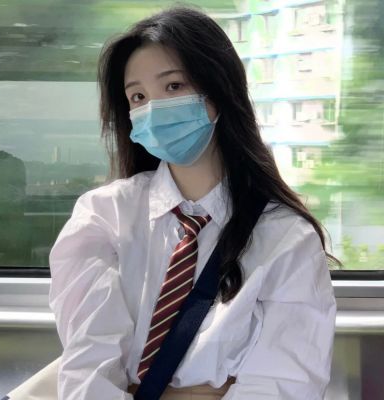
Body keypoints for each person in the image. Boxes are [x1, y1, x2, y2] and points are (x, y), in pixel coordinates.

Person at [48, 5, 338, 400]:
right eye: (138, 96)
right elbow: (87, 376)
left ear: (219, 90)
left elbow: (284, 387)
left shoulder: (287, 239)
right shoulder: (103, 217)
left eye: (173, 87)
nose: (154, 109)